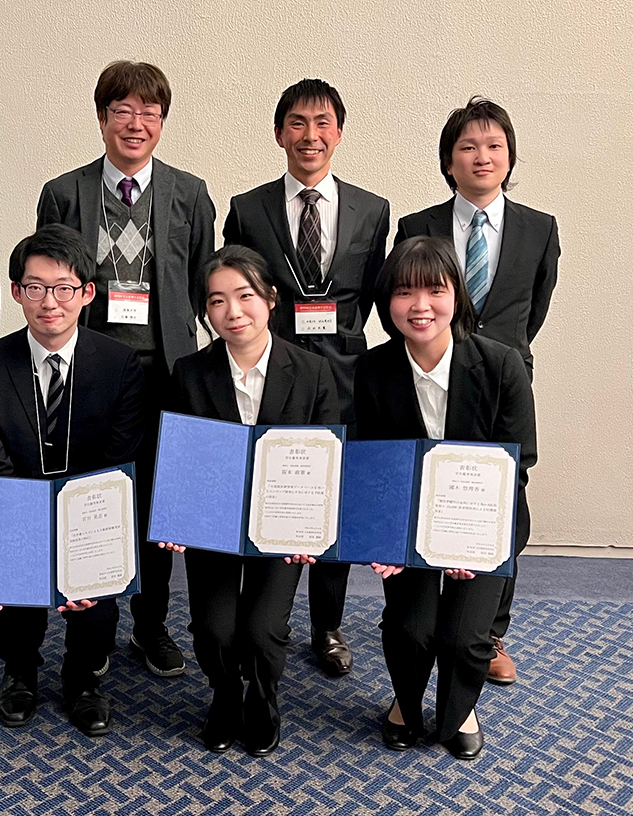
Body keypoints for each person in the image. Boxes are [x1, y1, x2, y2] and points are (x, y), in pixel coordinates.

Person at [36, 60, 216, 678]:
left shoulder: (190, 193)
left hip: (165, 373)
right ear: (102, 117)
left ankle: (151, 624)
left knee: (156, 504)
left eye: (149, 113)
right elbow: (50, 284)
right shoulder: (64, 193)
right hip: (90, 373)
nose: (136, 124)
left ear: (162, 122)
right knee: (92, 495)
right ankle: (94, 627)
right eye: (123, 111)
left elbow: (203, 283)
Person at [224, 79, 389, 677]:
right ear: (279, 134)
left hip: (344, 376)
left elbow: (372, 292)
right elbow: (238, 287)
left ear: (339, 133)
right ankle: (263, 614)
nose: (309, 135)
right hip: (273, 373)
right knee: (268, 491)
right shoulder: (248, 208)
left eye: (322, 123)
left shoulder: (373, 209)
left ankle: (328, 625)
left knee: (331, 502)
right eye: (297, 122)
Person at [394, 98, 559, 684]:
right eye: (468, 146)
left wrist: (501, 357)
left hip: (502, 380)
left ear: (509, 158)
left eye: (494, 146)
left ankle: (488, 633)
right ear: (449, 161)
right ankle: (425, 612)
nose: (481, 157)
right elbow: (407, 301)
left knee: (505, 496)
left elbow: (533, 309)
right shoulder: (417, 227)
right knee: (429, 487)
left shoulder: (540, 228)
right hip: (431, 373)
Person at [0, 224, 145, 737]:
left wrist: (78, 547)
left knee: (96, 613)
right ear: (16, 292)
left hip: (91, 512)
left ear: (87, 293)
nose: (49, 302)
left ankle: (82, 678)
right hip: (15, 503)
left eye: (64, 288)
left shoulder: (121, 365)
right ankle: (19, 671)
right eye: (35, 287)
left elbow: (116, 461)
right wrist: (12, 546)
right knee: (12, 610)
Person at [354, 236, 536, 760]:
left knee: (462, 637)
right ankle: (405, 703)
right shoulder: (372, 369)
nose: (420, 306)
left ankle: (460, 709)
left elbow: (518, 462)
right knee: (411, 630)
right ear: (387, 302)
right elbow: (369, 466)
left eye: (435, 290)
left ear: (457, 295)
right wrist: (383, 538)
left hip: (483, 527)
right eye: (404, 292)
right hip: (406, 526)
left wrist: (470, 545)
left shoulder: (501, 365)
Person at [160, 246, 339, 756]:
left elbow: (329, 460)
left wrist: (314, 529)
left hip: (282, 527)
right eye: (216, 301)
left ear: (271, 298)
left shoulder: (312, 372)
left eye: (245, 296)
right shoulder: (189, 372)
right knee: (214, 630)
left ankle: (263, 696)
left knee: (262, 630)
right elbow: (178, 455)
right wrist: (175, 517)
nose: (232, 312)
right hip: (213, 525)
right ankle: (224, 693)